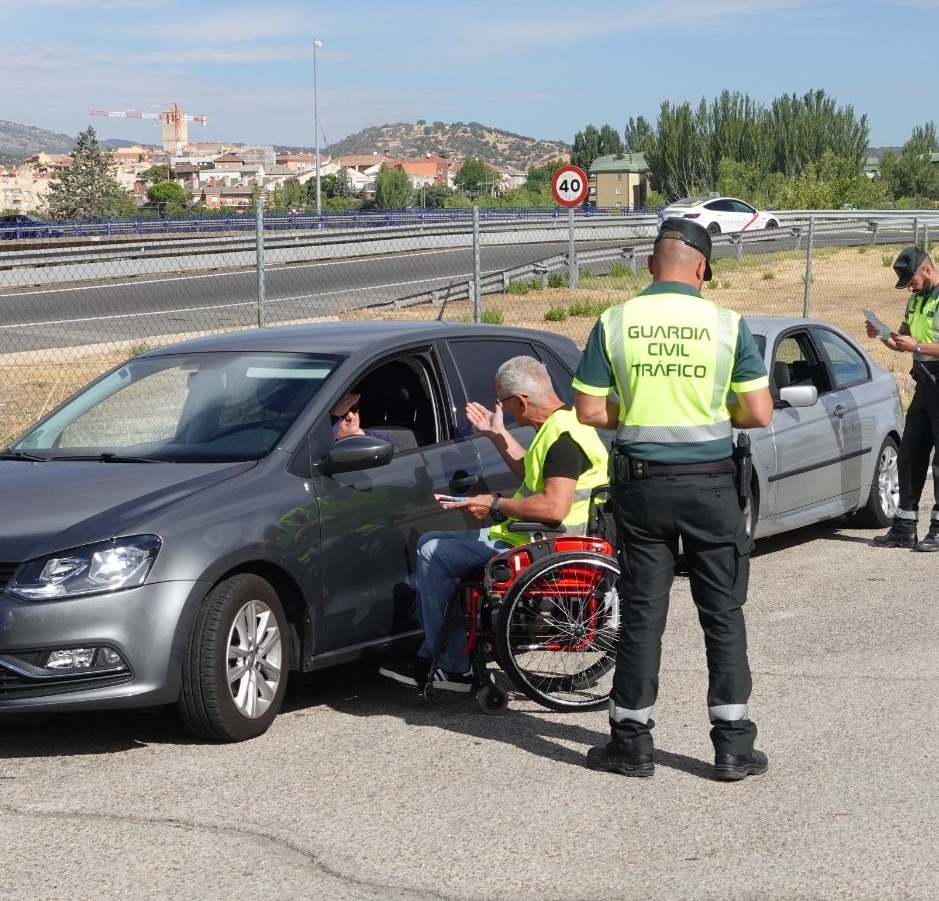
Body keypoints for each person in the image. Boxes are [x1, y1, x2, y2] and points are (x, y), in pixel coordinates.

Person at [573, 217, 774, 782]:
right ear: (703, 269)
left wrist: (637, 414)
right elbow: (758, 413)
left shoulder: (615, 321)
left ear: (650, 266)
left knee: (642, 614)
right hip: (712, 486)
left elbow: (590, 411)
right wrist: (711, 416)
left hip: (642, 486)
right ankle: (733, 746)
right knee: (723, 614)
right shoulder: (727, 324)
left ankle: (631, 743)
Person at [380, 357, 609, 693]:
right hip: (538, 538)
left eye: (503, 403)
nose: (504, 410)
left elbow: (554, 506)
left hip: (547, 544)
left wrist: (495, 503)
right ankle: (443, 651)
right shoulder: (566, 422)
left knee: (433, 552)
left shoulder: (561, 439)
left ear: (521, 401)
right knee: (431, 541)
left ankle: (451, 665)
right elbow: (533, 477)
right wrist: (498, 435)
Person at [865, 246, 939, 552]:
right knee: (910, 454)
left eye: (911, 280)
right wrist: (883, 335)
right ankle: (904, 527)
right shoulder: (917, 299)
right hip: (925, 386)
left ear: (927, 270)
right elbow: (903, 342)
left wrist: (917, 347)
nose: (909, 287)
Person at [329, 391, 396, 450]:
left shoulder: (382, 441)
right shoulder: (324, 444)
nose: (351, 416)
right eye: (342, 414)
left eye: (353, 408)